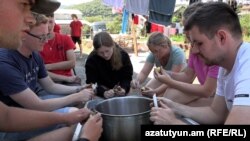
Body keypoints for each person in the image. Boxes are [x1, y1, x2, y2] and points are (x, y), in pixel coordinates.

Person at [0, 0, 102, 140]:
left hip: (22, 112)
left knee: (79, 114)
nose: (46, 41)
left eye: (47, 36)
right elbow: (34, 106)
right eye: (23, 5)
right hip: (12, 125)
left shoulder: (35, 55)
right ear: (25, 35)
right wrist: (71, 108)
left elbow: (50, 86)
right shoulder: (5, 62)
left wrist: (78, 90)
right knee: (76, 124)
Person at [150, 2, 250, 125]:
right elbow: (216, 114)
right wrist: (174, 106)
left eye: (199, 43)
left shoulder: (247, 66)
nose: (194, 50)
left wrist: (174, 122)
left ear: (222, 37)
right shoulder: (225, 67)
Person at [153, 2, 219, 106]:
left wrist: (170, 82)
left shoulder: (215, 51)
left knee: (172, 101)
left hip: (218, 96)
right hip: (208, 92)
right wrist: (167, 74)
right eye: (185, 27)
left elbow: (208, 90)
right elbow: (188, 76)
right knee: (170, 96)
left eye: (188, 27)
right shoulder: (194, 47)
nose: (185, 32)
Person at [131, 32, 187, 97]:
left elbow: (172, 80)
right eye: (152, 52)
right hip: (165, 78)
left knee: (163, 97)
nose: (154, 54)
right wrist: (137, 81)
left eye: (156, 51)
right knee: (147, 91)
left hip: (179, 81)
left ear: (165, 46)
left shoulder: (178, 54)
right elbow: (144, 72)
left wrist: (156, 91)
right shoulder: (154, 54)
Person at [85, 31, 133, 98]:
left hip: (120, 90)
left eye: (107, 51)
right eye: (101, 53)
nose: (105, 55)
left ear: (112, 46)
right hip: (100, 91)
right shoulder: (92, 60)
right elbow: (91, 83)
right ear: (96, 51)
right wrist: (103, 92)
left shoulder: (123, 55)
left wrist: (124, 88)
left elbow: (127, 77)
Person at [40, 13, 81, 85]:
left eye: (50, 22)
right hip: (47, 82)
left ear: (54, 22)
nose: (48, 26)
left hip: (68, 80)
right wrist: (66, 78)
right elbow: (38, 71)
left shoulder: (65, 39)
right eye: (45, 22)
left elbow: (72, 63)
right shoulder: (36, 42)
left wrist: (46, 67)